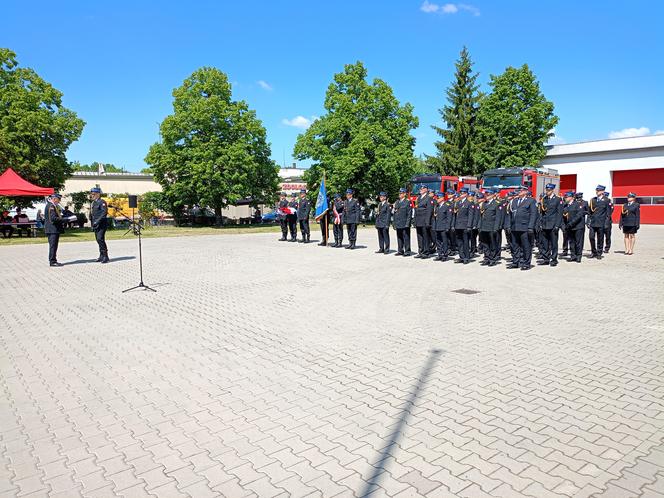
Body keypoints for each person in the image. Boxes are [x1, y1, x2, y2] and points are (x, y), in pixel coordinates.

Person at [508, 187, 537, 270]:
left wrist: (531, 227)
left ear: (525, 192)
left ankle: (526, 263)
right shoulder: (514, 201)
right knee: (515, 246)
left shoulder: (531, 201)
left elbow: (533, 215)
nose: (518, 192)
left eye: (520, 191)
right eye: (518, 191)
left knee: (526, 246)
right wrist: (509, 225)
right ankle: (515, 262)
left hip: (525, 227)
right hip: (514, 227)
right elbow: (510, 214)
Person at [537, 184, 563, 267]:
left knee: (554, 243)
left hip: (553, 225)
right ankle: (546, 258)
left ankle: (554, 259)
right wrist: (540, 223)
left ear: (552, 190)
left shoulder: (558, 199)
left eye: (549, 190)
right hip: (544, 224)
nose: (547, 191)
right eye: (546, 190)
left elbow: (559, 214)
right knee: (545, 243)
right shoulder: (544, 199)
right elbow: (542, 213)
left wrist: (557, 225)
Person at [478, 190, 502, 266]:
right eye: (486, 195)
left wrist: (496, 228)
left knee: (492, 243)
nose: (486, 196)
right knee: (485, 243)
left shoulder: (497, 203)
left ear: (492, 195)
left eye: (488, 195)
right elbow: (481, 216)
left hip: (492, 227)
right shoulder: (484, 204)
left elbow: (498, 217)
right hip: (484, 227)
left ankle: (492, 258)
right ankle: (487, 257)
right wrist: (479, 226)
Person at [587, 185, 611, 259]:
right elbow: (589, 212)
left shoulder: (607, 200)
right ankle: (593, 251)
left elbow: (608, 213)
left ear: (603, 191)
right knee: (591, 237)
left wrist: (606, 223)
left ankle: (599, 252)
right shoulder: (593, 200)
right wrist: (588, 221)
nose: (597, 192)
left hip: (601, 223)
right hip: (593, 222)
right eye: (596, 190)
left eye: (599, 190)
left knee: (600, 239)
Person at [562, 191, 585, 262]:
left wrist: (570, 223)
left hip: (578, 226)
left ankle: (578, 256)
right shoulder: (565, 206)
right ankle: (573, 255)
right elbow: (563, 216)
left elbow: (578, 216)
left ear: (572, 197)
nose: (565, 198)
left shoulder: (578, 204)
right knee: (571, 242)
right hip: (569, 227)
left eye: (567, 197)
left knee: (578, 242)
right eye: (565, 197)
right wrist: (564, 225)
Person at [44, 193, 65, 266]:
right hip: (52, 229)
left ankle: (53, 260)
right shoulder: (51, 206)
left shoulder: (53, 205)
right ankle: (52, 261)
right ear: (54, 198)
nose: (59, 201)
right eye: (59, 199)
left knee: (54, 246)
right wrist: (63, 220)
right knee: (53, 246)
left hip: (53, 229)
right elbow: (53, 218)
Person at [453, 188, 473, 264]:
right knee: (459, 242)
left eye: (463, 193)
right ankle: (461, 256)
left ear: (466, 194)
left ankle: (466, 257)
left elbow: (470, 215)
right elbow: (455, 215)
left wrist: (469, 226)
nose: (461, 194)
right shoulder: (458, 203)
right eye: (460, 193)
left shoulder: (469, 203)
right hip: (458, 225)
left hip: (465, 225)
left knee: (465, 242)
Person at [414, 185, 434, 259]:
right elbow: (416, 209)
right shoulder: (418, 198)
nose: (421, 190)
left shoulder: (429, 198)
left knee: (426, 237)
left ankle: (426, 252)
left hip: (424, 221)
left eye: (422, 189)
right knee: (419, 237)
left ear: (426, 189)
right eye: (420, 188)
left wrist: (427, 222)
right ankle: (421, 251)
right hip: (418, 220)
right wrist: (414, 220)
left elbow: (429, 211)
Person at [432, 191, 453, 261]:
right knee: (438, 241)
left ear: (442, 198)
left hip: (444, 227)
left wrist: (447, 227)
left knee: (444, 241)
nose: (436, 199)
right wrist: (434, 226)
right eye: (436, 197)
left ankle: (445, 255)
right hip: (437, 226)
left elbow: (449, 218)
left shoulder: (447, 205)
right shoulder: (437, 206)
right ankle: (440, 254)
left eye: (438, 197)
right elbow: (435, 217)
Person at [90, 187, 109, 263]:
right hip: (95, 225)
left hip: (101, 224)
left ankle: (105, 256)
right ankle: (101, 256)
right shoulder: (93, 203)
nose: (92, 195)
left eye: (94, 194)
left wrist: (97, 222)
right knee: (98, 240)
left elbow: (104, 213)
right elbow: (92, 214)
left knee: (100, 239)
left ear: (98, 194)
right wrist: (92, 223)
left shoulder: (102, 202)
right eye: (92, 194)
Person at [393, 188, 412, 256]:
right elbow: (395, 213)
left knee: (406, 237)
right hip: (398, 223)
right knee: (399, 237)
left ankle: (407, 251)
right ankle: (400, 250)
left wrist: (408, 223)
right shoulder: (397, 202)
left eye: (401, 193)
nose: (399, 194)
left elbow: (409, 214)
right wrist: (394, 223)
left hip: (404, 223)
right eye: (399, 193)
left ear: (404, 194)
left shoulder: (407, 202)